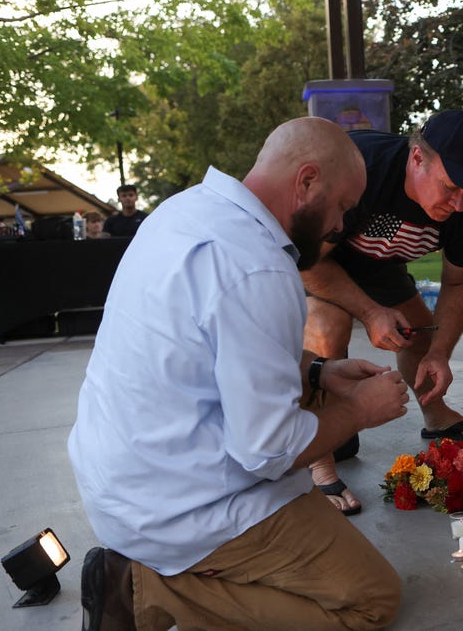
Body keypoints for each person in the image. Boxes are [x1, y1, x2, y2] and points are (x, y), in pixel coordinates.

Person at [69, 117, 411, 630]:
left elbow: (214, 346)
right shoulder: (258, 267)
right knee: (372, 599)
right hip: (180, 505)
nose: (341, 225)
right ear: (307, 182)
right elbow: (268, 451)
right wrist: (362, 410)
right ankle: (146, 589)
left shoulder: (184, 211)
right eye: (341, 206)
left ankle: (167, 573)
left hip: (123, 476)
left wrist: (319, 370)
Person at [301, 109, 463, 515]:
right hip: (319, 262)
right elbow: (307, 261)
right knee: (326, 328)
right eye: (451, 186)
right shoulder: (362, 166)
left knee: (420, 333)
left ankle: (437, 415)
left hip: (378, 266)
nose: (460, 203)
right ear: (417, 159)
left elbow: (461, 282)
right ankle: (317, 456)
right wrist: (371, 312)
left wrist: (439, 352)